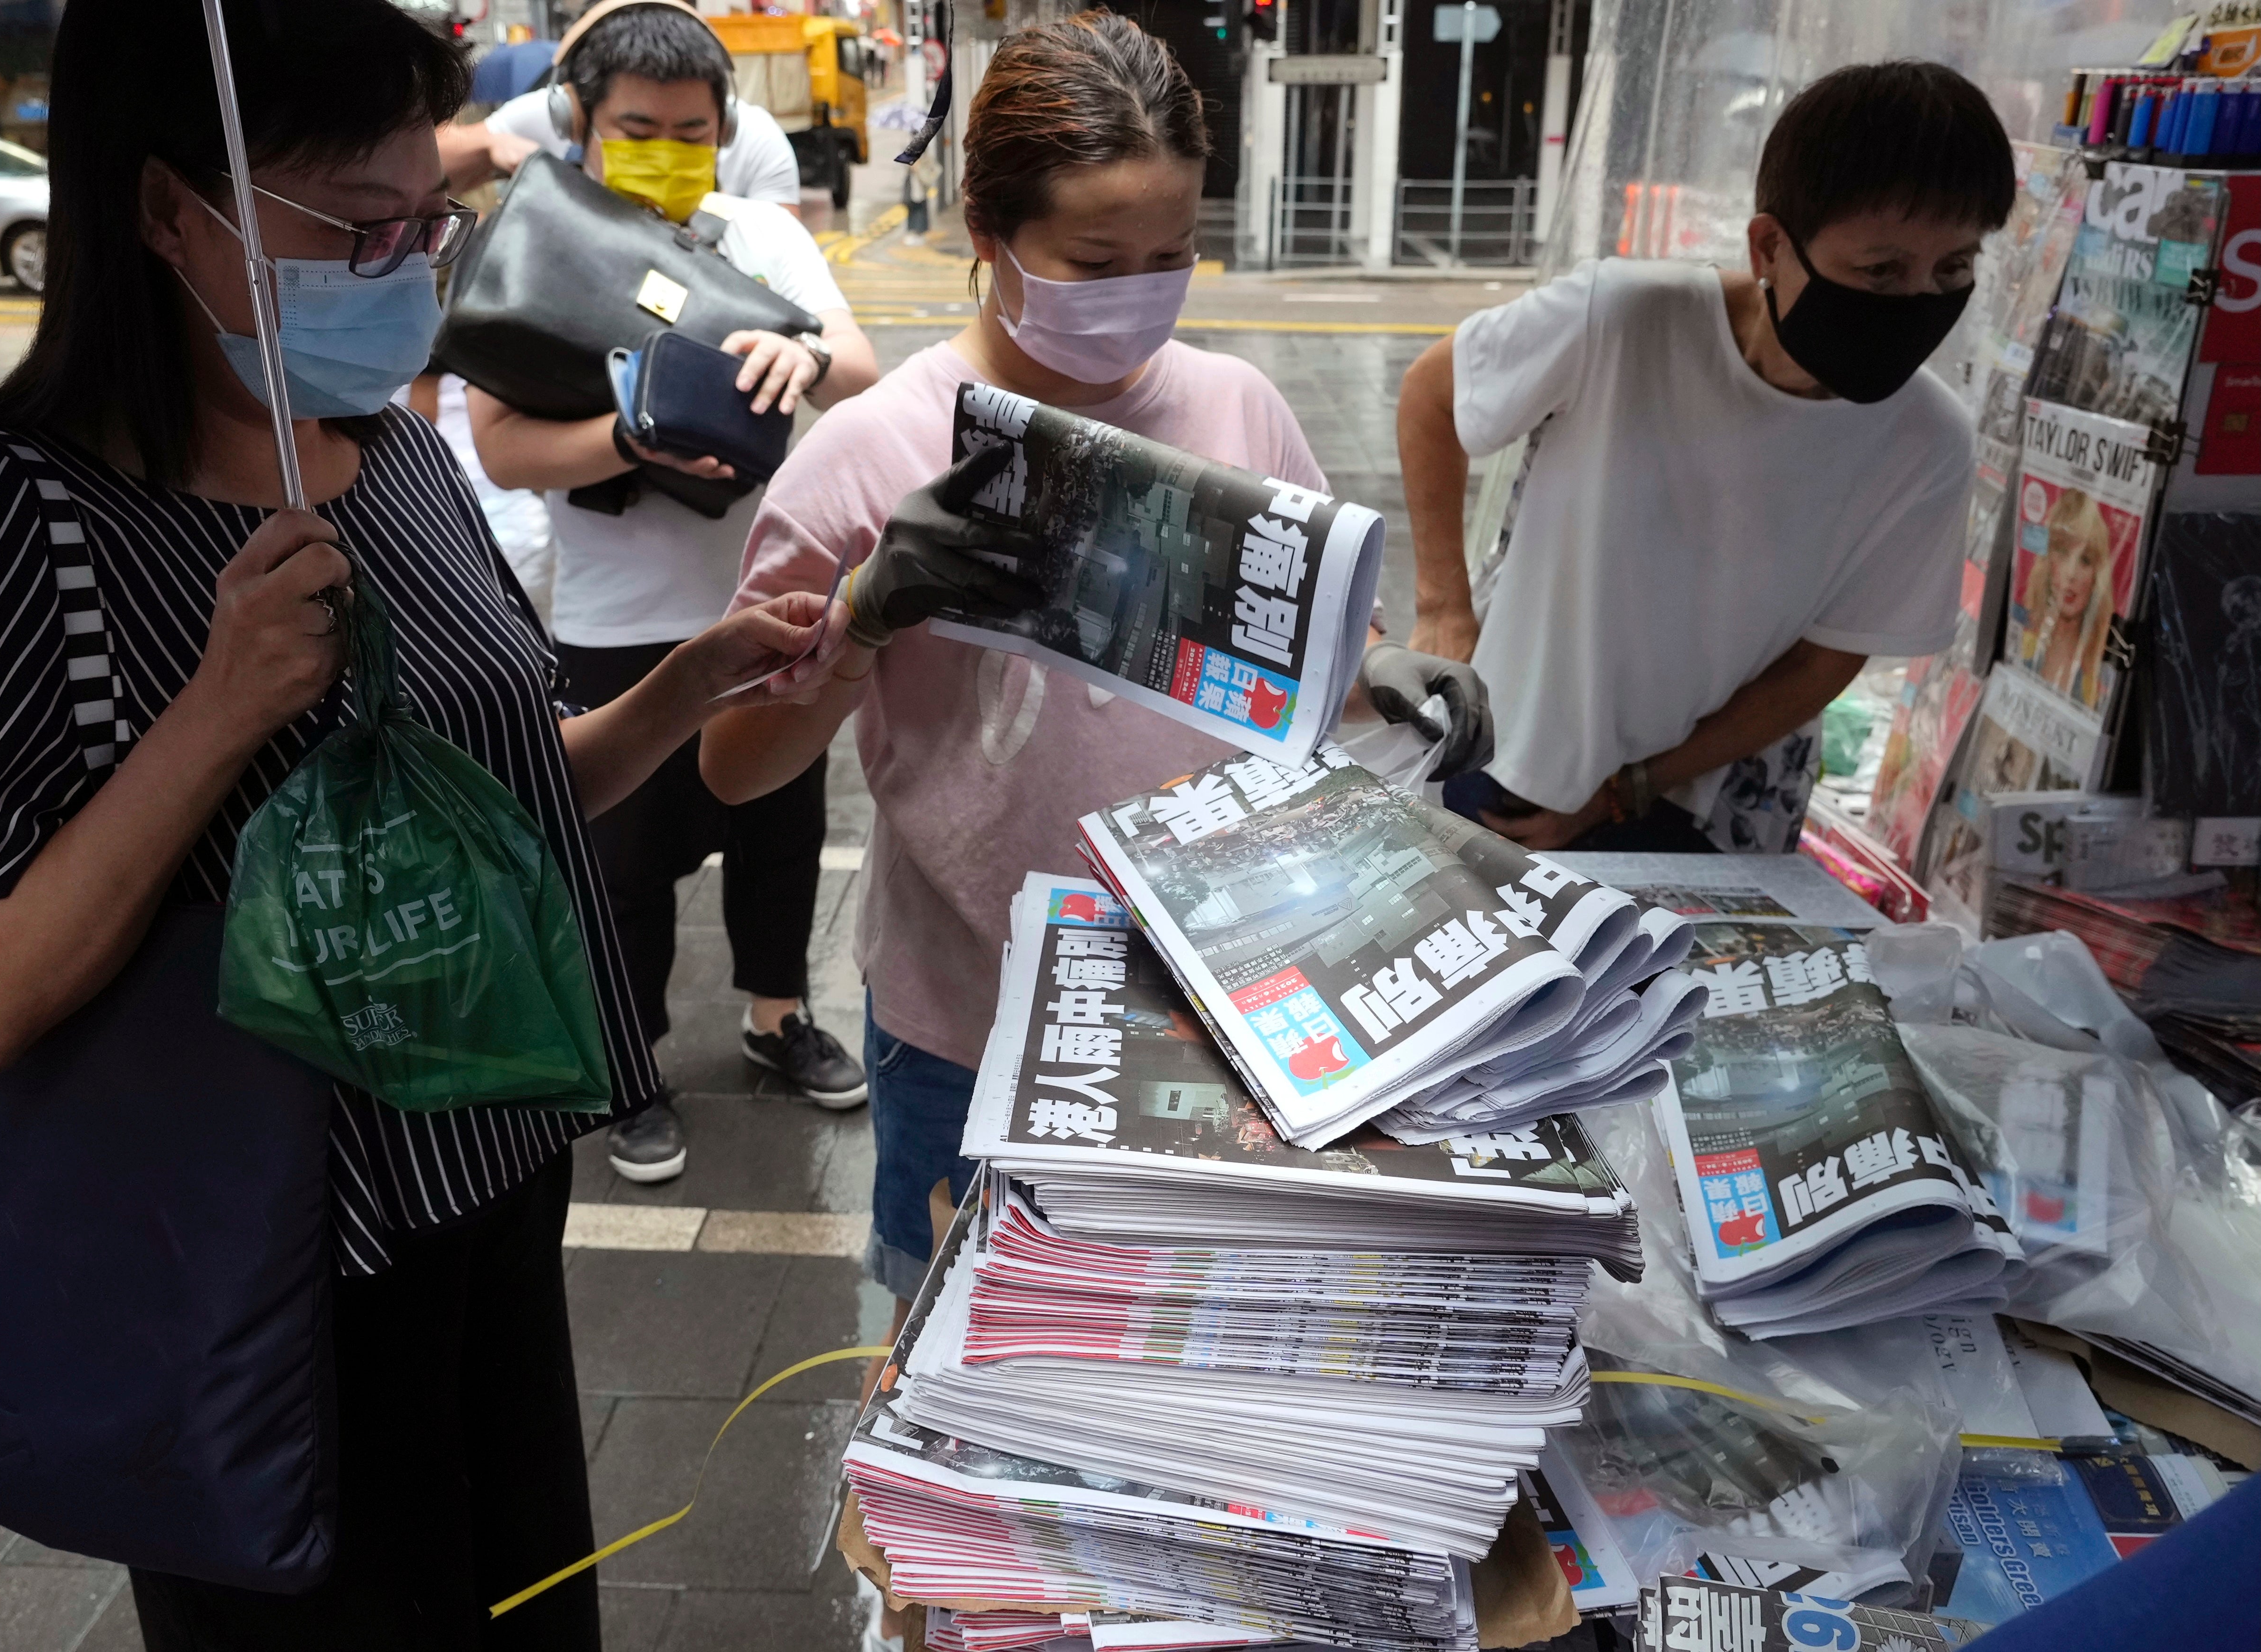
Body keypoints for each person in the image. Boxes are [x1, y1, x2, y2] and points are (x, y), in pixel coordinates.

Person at [0, 0, 829, 1642]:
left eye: (427, 221)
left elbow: (498, 814)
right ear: (165, 209)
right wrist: (217, 710)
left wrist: (703, 678)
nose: (410, 268)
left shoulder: (390, 455)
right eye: (361, 231)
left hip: (490, 1193)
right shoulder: (1, 514)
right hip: (255, 1275)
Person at [695, 13, 1468, 1320]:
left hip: (1218, 1009)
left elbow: (1306, 681)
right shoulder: (870, 451)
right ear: (987, 236)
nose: (1139, 290)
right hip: (969, 1015)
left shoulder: (1236, 410)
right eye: (1095, 259)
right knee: (964, 1343)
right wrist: (866, 621)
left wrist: (1386, 677)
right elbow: (732, 763)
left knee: (1166, 1344)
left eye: (1170, 256)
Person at [1399, 59, 2015, 856]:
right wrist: (1444, 604)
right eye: (1880, 270)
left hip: (1704, 805)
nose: (1916, 302)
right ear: (1769, 247)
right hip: (1509, 752)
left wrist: (1630, 789)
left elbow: (1822, 661)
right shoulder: (1622, 321)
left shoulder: (1929, 442)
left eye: (1953, 268)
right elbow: (1430, 394)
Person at [470, 0, 880, 1185]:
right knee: (625, 865)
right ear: (582, 125)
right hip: (613, 622)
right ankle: (631, 1063)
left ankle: (774, 1018)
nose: (666, 147)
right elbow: (502, 450)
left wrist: (804, 356)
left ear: (725, 129)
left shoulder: (754, 231)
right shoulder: (537, 235)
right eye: (638, 125)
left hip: (764, 601)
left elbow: (857, 371)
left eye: (691, 129)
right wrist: (631, 440)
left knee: (779, 833)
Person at [473, 0, 804, 213]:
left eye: (690, 138)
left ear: (725, 126)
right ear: (574, 119)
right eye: (638, 135)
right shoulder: (546, 116)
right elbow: (438, 158)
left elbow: (786, 265)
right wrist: (491, 146)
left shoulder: (758, 140)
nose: (664, 157)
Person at [2012, 486, 2116, 709]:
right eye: (2062, 552)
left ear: (2097, 577)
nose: (2071, 574)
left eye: (2085, 560)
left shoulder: (2101, 681)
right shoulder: (2016, 630)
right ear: (2049, 560)